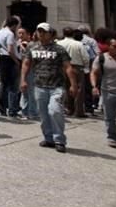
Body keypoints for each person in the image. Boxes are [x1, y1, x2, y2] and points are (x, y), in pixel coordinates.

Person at [21, 22, 77, 153]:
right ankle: (49, 138)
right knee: (44, 114)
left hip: (56, 86)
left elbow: (68, 67)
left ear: (51, 34)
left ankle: (59, 140)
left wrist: (73, 84)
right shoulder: (32, 47)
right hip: (39, 85)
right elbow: (26, 64)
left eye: (44, 32)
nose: (40, 34)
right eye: (39, 31)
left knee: (55, 111)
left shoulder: (59, 49)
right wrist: (23, 80)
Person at [57, 28, 89, 118]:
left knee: (65, 88)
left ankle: (68, 109)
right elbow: (85, 57)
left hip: (62, 67)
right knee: (78, 89)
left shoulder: (59, 44)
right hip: (76, 67)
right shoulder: (78, 44)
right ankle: (78, 111)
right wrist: (86, 67)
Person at [0, 16, 21, 117]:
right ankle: (12, 109)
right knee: (13, 86)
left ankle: (2, 109)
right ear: (14, 25)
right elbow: (10, 50)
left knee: (3, 84)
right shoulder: (10, 34)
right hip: (9, 59)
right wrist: (16, 61)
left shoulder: (0, 32)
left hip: (2, 58)